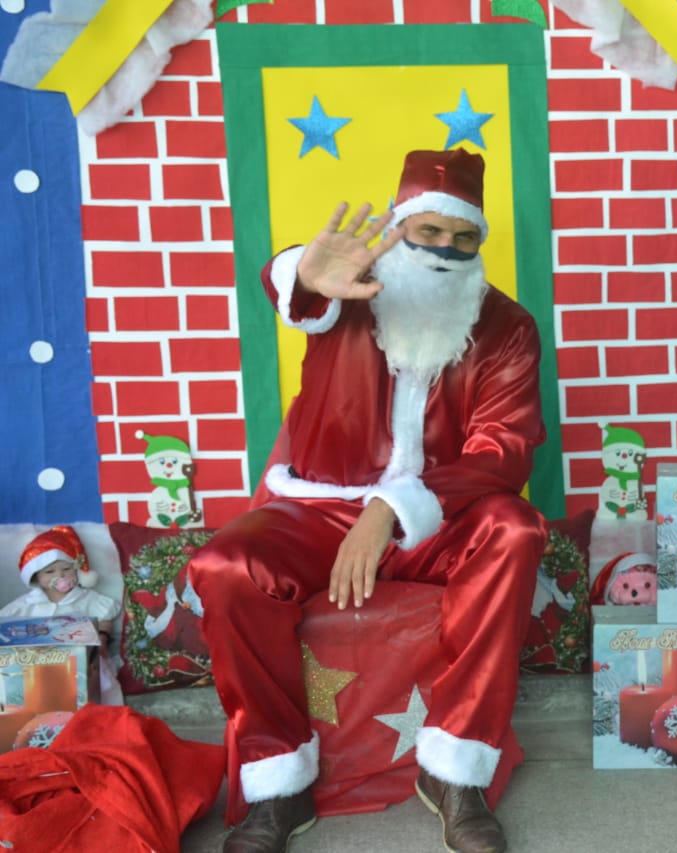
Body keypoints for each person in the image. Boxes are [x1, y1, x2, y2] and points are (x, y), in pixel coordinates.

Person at [188, 148, 548, 853]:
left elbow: (502, 450)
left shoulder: (507, 325)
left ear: (480, 241)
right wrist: (300, 272)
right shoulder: (350, 288)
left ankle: (455, 772)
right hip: (317, 508)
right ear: (400, 227)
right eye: (428, 232)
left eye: (462, 236)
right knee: (225, 565)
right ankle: (277, 782)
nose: (445, 250)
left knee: (513, 527)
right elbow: (298, 289)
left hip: (432, 515)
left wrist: (391, 509)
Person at [1, 525, 124, 705]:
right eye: (49, 572)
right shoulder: (26, 605)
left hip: (80, 660)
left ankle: (103, 714)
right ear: (35, 578)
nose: (59, 575)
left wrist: (103, 637)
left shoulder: (86, 599)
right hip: (38, 662)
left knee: (100, 678)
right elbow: (7, 624)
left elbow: (105, 616)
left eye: (66, 569)